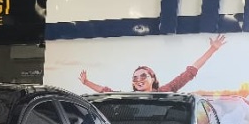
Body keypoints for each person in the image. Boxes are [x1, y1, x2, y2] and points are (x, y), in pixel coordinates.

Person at [79, 34, 227, 93]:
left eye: (143, 76)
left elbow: (190, 72)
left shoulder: (165, 91)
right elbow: (106, 91)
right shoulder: (129, 98)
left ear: (153, 78)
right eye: (135, 78)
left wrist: (212, 49)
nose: (138, 80)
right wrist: (86, 82)